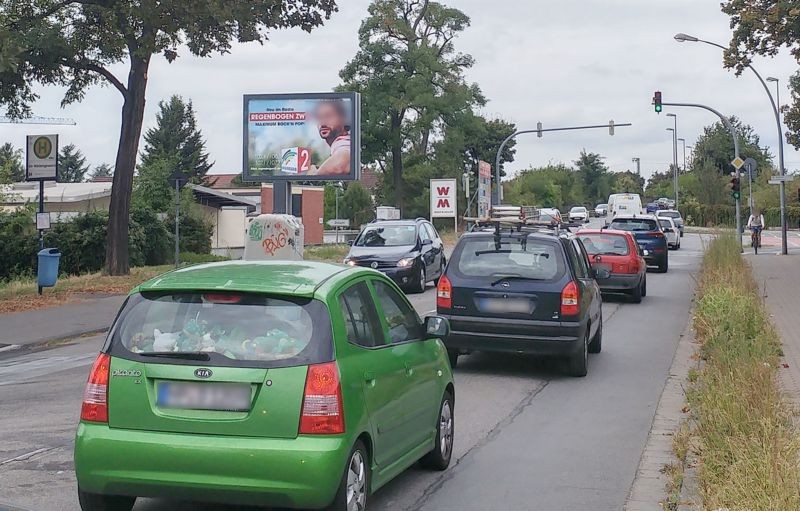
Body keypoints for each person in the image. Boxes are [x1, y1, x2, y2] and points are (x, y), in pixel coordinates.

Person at [306, 99, 351, 176]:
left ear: (343, 119)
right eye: (319, 118)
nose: (323, 123)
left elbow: (338, 167)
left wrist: (315, 174)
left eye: (328, 116)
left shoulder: (343, 142)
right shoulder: (339, 143)